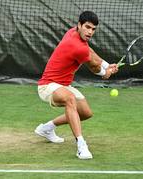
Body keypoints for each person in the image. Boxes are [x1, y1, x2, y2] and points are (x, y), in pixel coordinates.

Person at [34, 11, 118, 160]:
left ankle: (47, 128)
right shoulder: (77, 46)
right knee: (70, 99)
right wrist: (105, 73)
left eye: (93, 29)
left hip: (63, 85)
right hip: (47, 86)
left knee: (85, 113)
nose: (90, 32)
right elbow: (93, 67)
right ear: (79, 25)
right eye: (87, 27)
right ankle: (81, 146)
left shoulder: (73, 32)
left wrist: (106, 64)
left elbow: (90, 51)